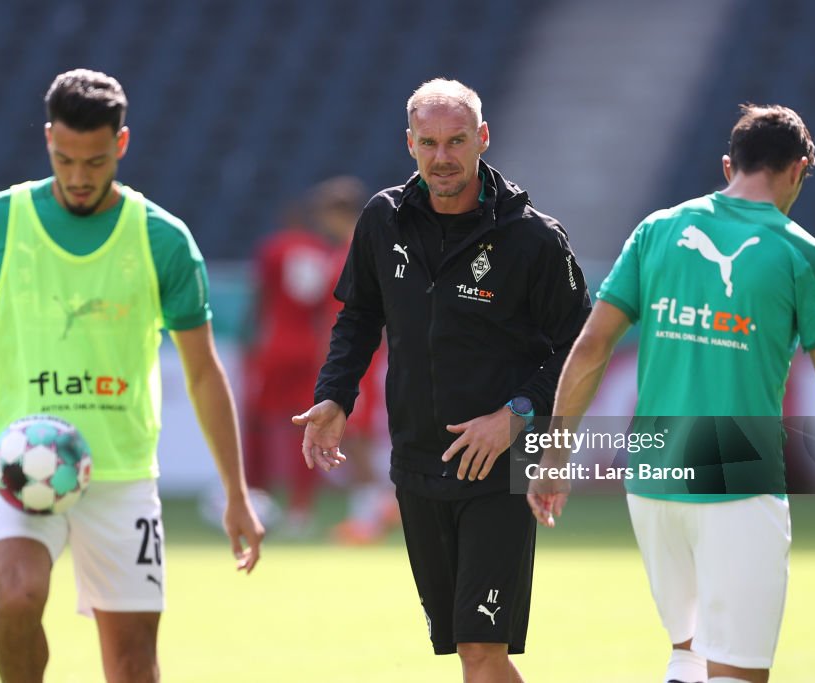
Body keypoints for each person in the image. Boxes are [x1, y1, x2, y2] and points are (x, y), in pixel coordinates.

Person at [528, 104, 815, 683]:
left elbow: (591, 348)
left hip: (652, 472)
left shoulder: (657, 230)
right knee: (736, 672)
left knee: (688, 655)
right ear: (800, 169)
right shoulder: (802, 254)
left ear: (729, 164)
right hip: (737, 475)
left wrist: (554, 456)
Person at [0, 69, 264, 683]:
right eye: (64, 158)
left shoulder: (164, 240)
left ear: (121, 145)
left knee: (132, 664)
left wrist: (235, 492)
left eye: (95, 161)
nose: (78, 176)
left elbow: (205, 373)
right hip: (15, 459)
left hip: (121, 474)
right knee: (18, 597)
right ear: (49, 139)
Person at [294, 78, 591, 681]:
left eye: (456, 141)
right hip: (416, 461)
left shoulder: (532, 238)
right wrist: (334, 394)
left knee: (483, 649)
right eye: (428, 143)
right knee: (466, 647)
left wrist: (516, 416)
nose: (443, 157)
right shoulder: (382, 218)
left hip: (499, 465)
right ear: (410, 144)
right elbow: (359, 316)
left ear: (482, 138)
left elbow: (582, 348)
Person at [306, 175, 397, 545]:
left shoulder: (358, 250)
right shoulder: (347, 249)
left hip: (363, 359)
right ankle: (380, 508)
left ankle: (369, 517)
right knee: (352, 435)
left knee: (354, 435)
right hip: (350, 358)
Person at [239, 198, 335, 534]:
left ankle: (257, 499)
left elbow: (260, 296)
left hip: (274, 347)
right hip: (310, 349)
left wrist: (248, 338)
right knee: (308, 427)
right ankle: (300, 509)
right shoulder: (323, 251)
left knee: (259, 424)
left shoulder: (274, 248)